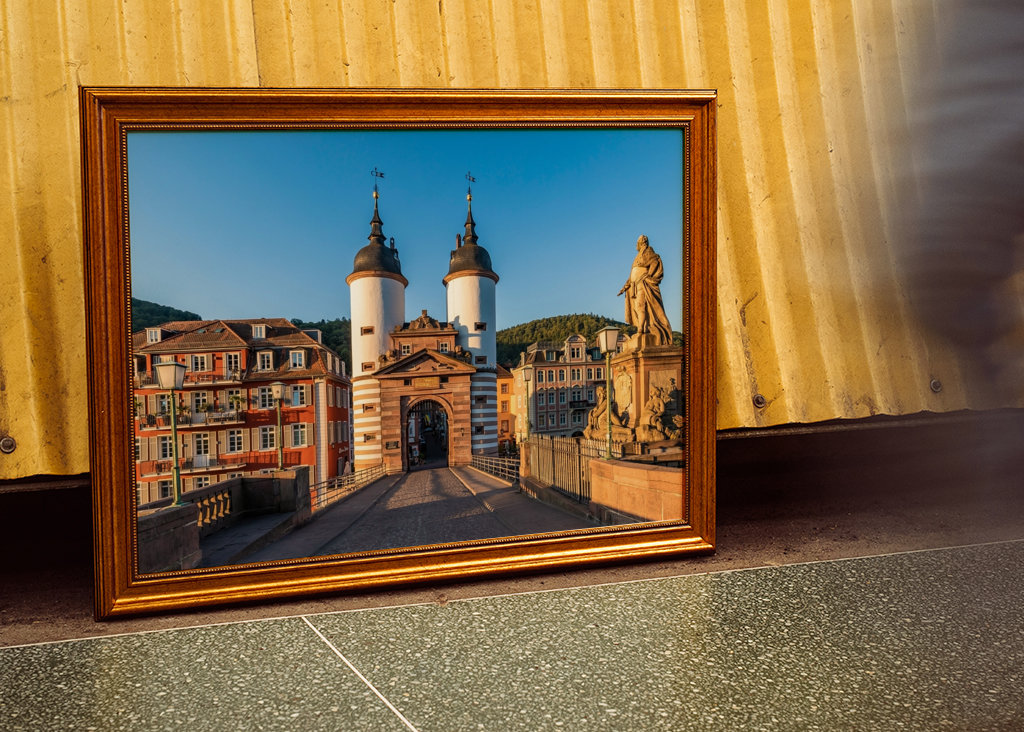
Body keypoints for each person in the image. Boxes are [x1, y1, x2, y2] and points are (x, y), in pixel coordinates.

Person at [618, 235, 672, 346]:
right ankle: (643, 328)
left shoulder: (648, 252)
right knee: (637, 308)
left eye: (639, 242)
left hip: (643, 283)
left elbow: (655, 262)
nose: (637, 245)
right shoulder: (638, 256)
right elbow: (631, 275)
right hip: (635, 285)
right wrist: (625, 287)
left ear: (642, 243)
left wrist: (648, 276)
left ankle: (641, 330)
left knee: (640, 306)